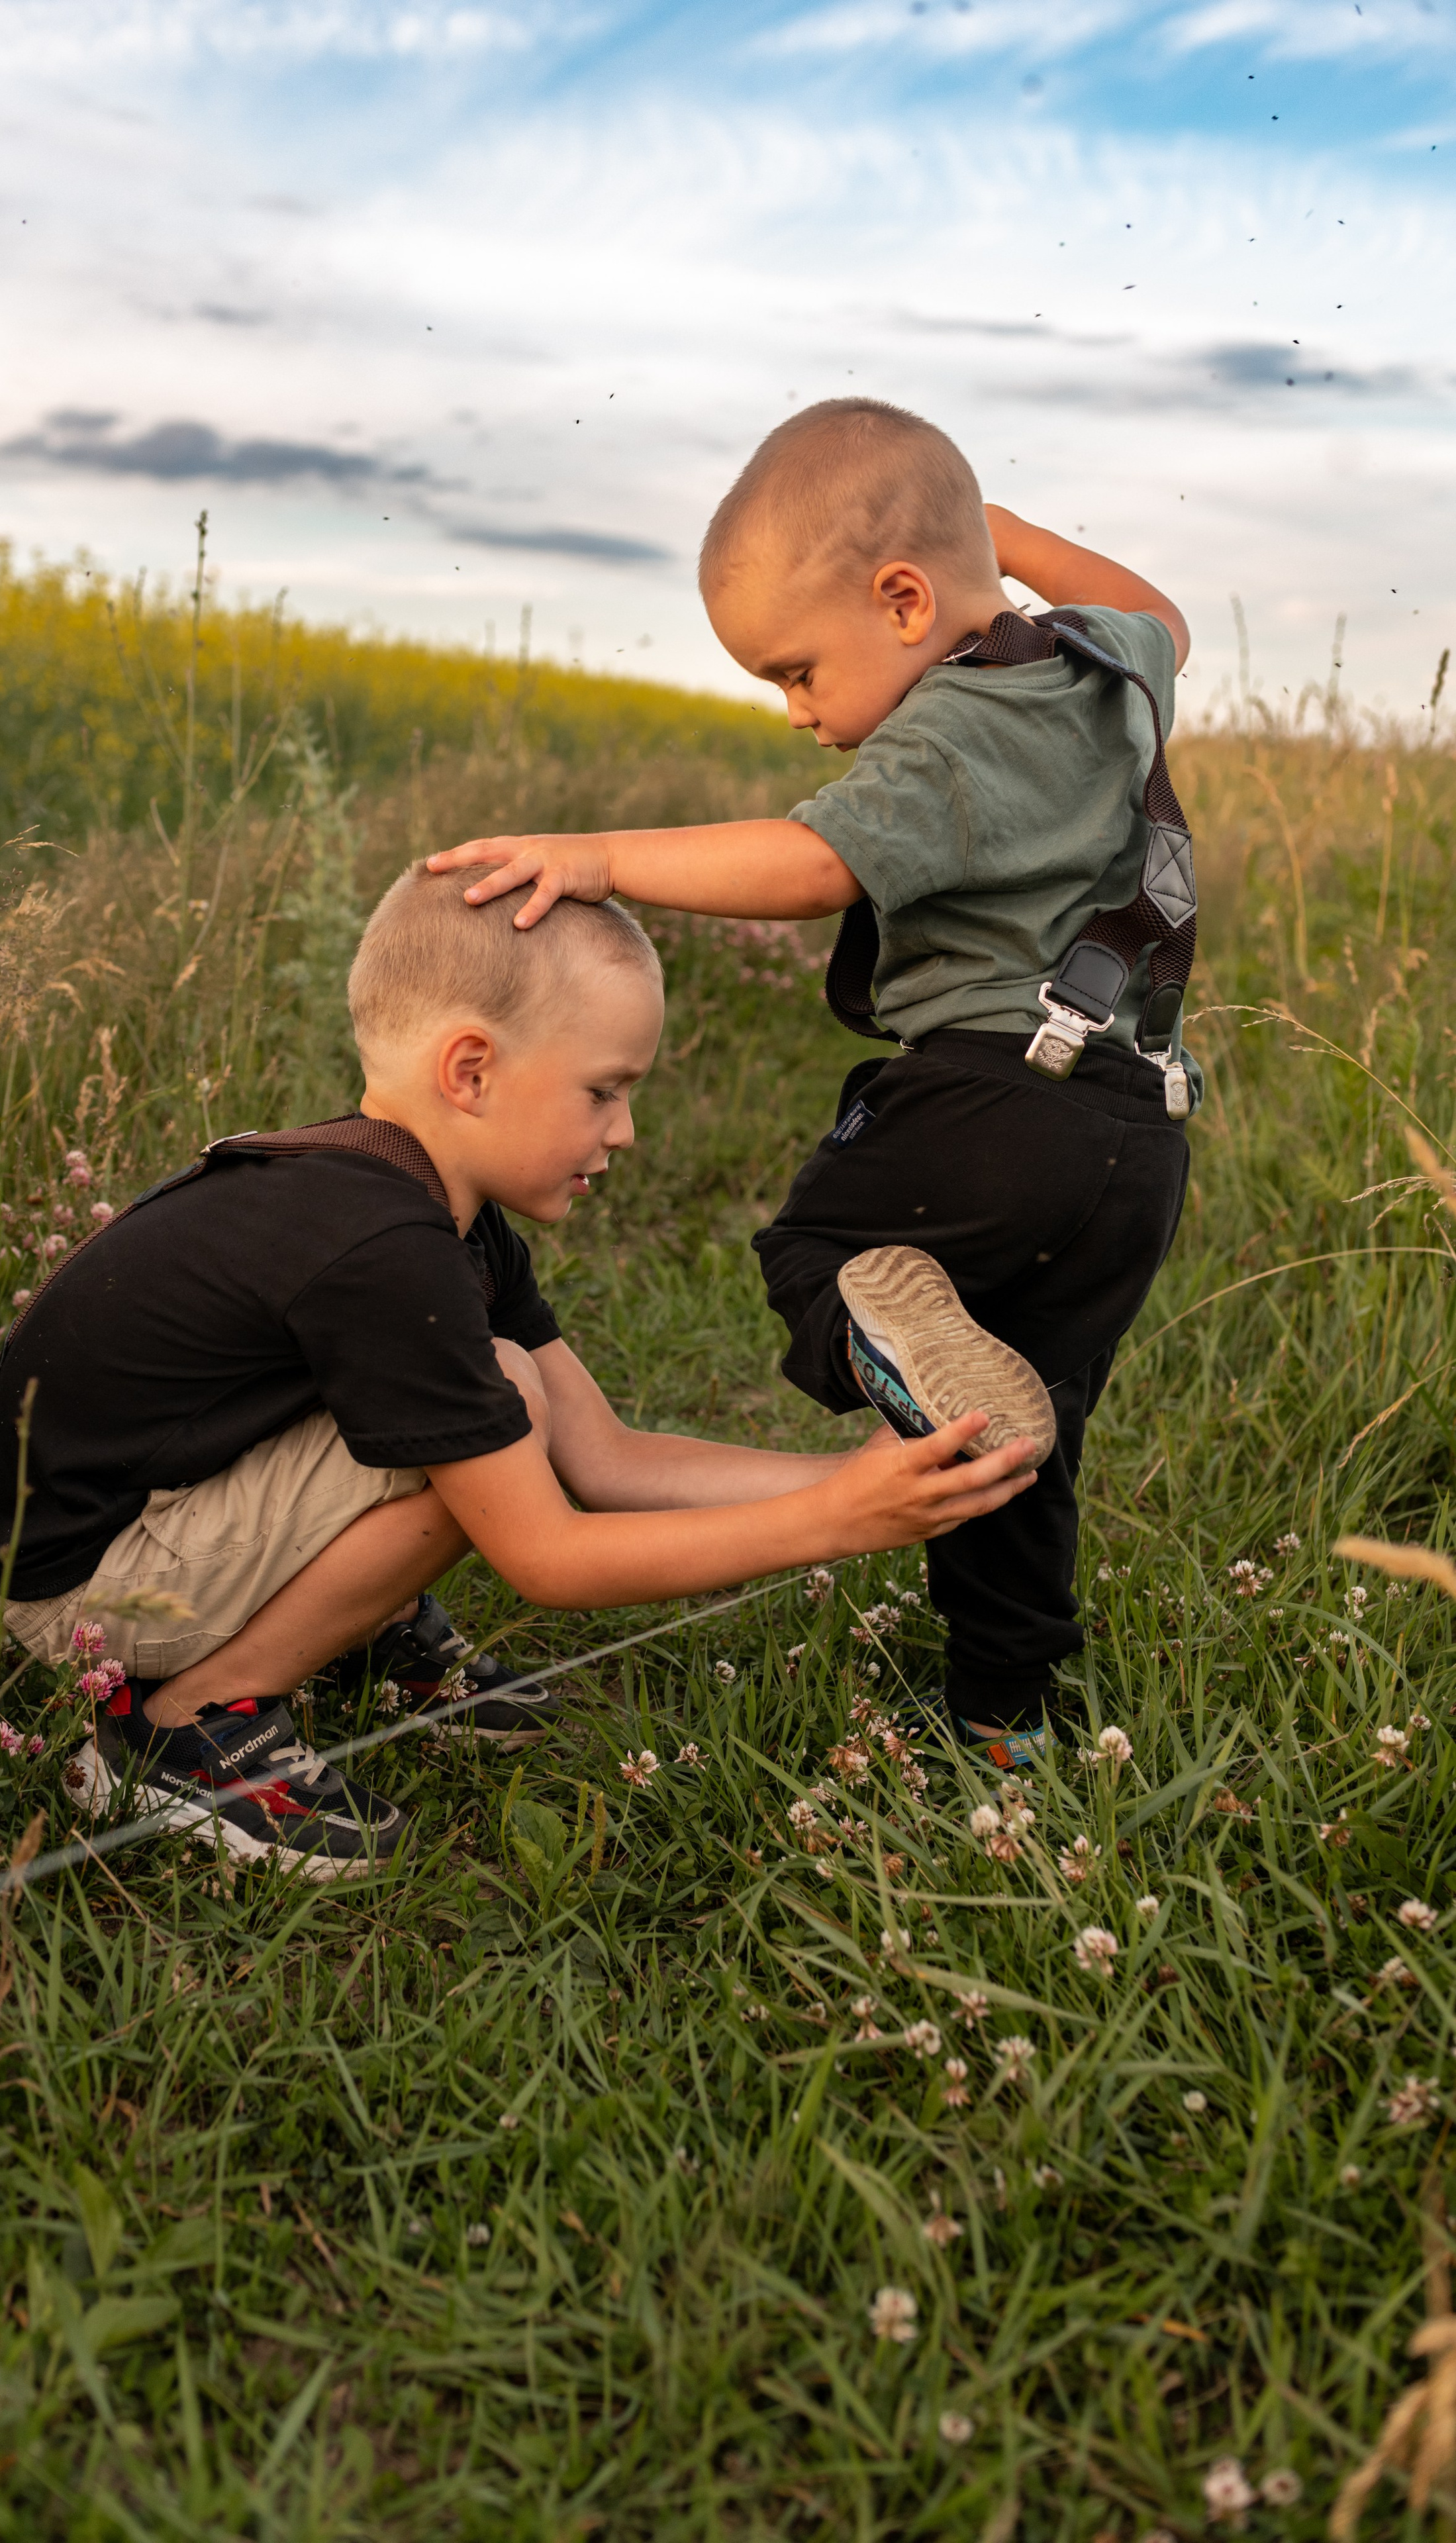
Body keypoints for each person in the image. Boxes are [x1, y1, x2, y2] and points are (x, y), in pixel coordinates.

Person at [0, 863, 1038, 1879]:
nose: (626, 1131)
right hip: (95, 1595)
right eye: (603, 1091)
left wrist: (858, 1476)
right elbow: (548, 1558)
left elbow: (605, 1458)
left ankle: (355, 1626)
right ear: (471, 1071)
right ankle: (187, 1727)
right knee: (503, 1395)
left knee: (502, 1392)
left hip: (159, 1516)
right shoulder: (383, 1250)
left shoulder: (433, 1211)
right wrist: (836, 1524)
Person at [426, 397, 1196, 1770]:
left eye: (796, 671)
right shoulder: (1104, 670)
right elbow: (1165, 616)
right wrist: (1005, 536)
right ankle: (1005, 1721)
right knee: (1015, 1432)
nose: (798, 714)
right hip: (1135, 1131)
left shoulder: (950, 731)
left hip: (983, 1095)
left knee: (818, 1252)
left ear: (903, 601)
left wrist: (601, 857)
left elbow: (812, 865)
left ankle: (892, 1348)